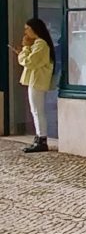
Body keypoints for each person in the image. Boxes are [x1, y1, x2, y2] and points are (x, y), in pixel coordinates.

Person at [14, 18, 55, 154]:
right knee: (36, 110)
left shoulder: (41, 44)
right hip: (35, 80)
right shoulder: (38, 44)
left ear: (34, 29)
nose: (25, 32)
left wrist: (24, 49)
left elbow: (30, 62)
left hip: (37, 81)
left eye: (27, 29)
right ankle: (39, 136)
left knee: (37, 110)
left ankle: (41, 139)